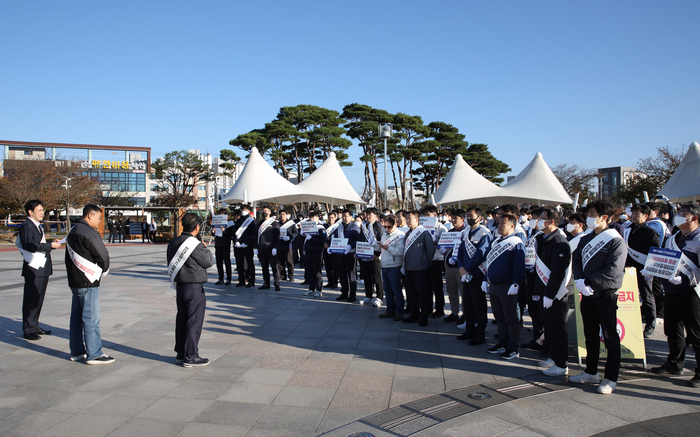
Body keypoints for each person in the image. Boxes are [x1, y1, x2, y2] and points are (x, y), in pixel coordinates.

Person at [570, 200, 627, 394]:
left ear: (605, 217)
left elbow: (613, 270)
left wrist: (588, 281)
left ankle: (611, 378)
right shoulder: (585, 239)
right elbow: (576, 260)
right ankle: (591, 371)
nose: (589, 218)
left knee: (610, 337)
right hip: (586, 293)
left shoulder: (615, 240)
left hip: (605, 294)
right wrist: (579, 280)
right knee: (590, 334)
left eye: (593, 214)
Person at [648, 203, 700, 387]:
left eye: (682, 214)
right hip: (671, 290)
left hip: (692, 294)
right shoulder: (675, 237)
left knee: (695, 334)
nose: (678, 216)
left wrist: (685, 279)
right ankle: (674, 362)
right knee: (672, 330)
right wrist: (651, 268)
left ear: (693, 218)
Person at [65, 204, 115, 364]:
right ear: (89, 216)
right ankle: (94, 353)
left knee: (76, 318)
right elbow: (103, 256)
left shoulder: (73, 231)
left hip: (75, 280)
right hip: (88, 281)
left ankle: (77, 351)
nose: (100, 221)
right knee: (91, 318)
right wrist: (104, 269)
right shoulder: (89, 233)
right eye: (99, 218)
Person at [167, 213, 215, 367]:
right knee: (193, 320)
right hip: (194, 286)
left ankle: (181, 353)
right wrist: (205, 249)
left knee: (182, 319)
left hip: (180, 286)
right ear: (197, 227)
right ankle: (191, 355)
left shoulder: (173, 242)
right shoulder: (194, 244)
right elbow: (208, 261)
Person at [532, 208, 572, 376]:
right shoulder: (542, 238)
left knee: (557, 328)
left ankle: (562, 364)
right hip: (543, 291)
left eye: (543, 218)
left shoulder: (559, 242)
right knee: (548, 326)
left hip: (555, 294)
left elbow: (558, 272)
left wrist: (549, 294)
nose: (539, 221)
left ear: (551, 222)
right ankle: (553, 356)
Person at [483, 214, 526, 360]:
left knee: (511, 318)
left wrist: (516, 283)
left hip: (507, 285)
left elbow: (519, 266)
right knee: (499, 317)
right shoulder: (496, 242)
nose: (499, 225)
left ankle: (513, 347)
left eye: (503, 223)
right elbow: (489, 263)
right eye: (499, 223)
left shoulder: (516, 242)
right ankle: (502, 343)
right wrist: (485, 279)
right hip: (494, 285)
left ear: (512, 226)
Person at [17, 199, 61, 340]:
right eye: (39, 210)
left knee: (38, 298)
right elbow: (29, 244)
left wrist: (50, 244)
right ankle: (28, 328)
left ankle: (35, 324)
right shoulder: (26, 225)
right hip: (33, 267)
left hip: (41, 267)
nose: (42, 213)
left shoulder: (37, 226)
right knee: (31, 298)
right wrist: (49, 246)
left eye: (42, 210)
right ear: (30, 212)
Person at [456, 207, 492, 345]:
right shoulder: (465, 232)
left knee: (478, 304)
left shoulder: (484, 233)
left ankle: (480, 333)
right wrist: (461, 267)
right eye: (467, 216)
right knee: (467, 303)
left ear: (480, 217)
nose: (469, 218)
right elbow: (460, 251)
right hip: (466, 274)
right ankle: (469, 329)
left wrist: (467, 268)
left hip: (477, 274)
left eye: (471, 215)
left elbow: (480, 255)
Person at [624, 204, 661, 337]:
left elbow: (656, 252)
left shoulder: (650, 232)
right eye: (633, 213)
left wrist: (650, 269)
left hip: (643, 269)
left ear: (645, 216)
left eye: (637, 214)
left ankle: (650, 324)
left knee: (647, 295)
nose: (633, 216)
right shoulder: (627, 229)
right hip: (628, 269)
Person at [402, 210, 436, 326]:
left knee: (422, 294)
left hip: (421, 269)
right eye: (406, 219)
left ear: (417, 220)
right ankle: (414, 314)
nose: (407, 221)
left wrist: (425, 263)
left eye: (409, 219)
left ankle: (424, 316)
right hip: (409, 268)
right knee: (411, 294)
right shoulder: (407, 234)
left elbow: (430, 251)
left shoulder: (424, 233)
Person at [376, 214, 406, 321]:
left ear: (395, 225)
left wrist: (389, 248)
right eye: (385, 227)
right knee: (387, 291)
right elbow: (382, 248)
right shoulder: (384, 235)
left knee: (396, 291)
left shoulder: (400, 235)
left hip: (394, 266)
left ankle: (399, 312)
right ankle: (390, 310)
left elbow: (401, 251)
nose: (387, 229)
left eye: (389, 227)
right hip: (385, 265)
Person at [442, 209, 467, 324]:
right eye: (452, 218)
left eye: (455, 218)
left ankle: (465, 314)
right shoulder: (449, 231)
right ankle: (454, 312)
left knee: (463, 292)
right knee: (451, 292)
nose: (452, 220)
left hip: (460, 267)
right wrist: (443, 248)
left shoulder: (466, 232)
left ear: (462, 219)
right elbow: (443, 248)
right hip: (449, 267)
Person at [358, 208, 385, 307]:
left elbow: (382, 242)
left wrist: (377, 254)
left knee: (377, 278)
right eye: (367, 214)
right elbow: (360, 240)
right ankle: (368, 296)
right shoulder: (364, 226)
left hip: (375, 257)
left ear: (376, 216)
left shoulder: (379, 227)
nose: (368, 216)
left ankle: (379, 297)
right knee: (366, 277)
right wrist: (358, 253)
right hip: (364, 255)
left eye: (370, 214)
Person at [332, 210, 360, 302]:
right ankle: (344, 293)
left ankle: (352, 295)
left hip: (350, 254)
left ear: (351, 217)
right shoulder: (339, 227)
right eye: (343, 216)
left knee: (351, 276)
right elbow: (335, 238)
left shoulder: (354, 227)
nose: (344, 218)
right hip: (340, 254)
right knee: (342, 275)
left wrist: (350, 246)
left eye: (347, 216)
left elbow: (358, 240)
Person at [425, 205, 447, 318]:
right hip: (426, 260)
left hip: (437, 260)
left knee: (437, 286)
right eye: (425, 215)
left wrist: (435, 242)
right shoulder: (423, 227)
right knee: (427, 286)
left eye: (429, 215)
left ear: (435, 215)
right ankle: (428, 308)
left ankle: (439, 309)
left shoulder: (442, 228)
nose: (427, 217)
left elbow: (446, 245)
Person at [301, 211, 327, 297]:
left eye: (314, 217)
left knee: (317, 272)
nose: (312, 219)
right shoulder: (308, 227)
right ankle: (311, 288)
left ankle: (319, 289)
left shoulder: (321, 228)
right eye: (311, 217)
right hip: (308, 251)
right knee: (310, 271)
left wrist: (311, 238)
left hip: (317, 252)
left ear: (318, 218)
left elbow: (321, 241)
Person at [255, 207, 280, 291]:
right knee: (264, 267)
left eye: (266, 211)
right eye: (263, 211)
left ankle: (277, 284)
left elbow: (277, 236)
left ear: (269, 212)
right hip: (262, 248)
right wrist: (256, 247)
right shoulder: (260, 223)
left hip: (271, 248)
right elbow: (256, 235)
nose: (264, 212)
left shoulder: (274, 223)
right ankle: (266, 283)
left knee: (274, 267)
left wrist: (275, 247)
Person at [232, 205, 257, 288]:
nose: (243, 211)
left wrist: (246, 242)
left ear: (248, 211)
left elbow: (253, 233)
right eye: (242, 209)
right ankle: (241, 280)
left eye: (245, 209)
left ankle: (251, 281)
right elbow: (234, 233)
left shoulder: (251, 221)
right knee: (239, 263)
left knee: (249, 263)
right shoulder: (238, 221)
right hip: (238, 246)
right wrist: (236, 242)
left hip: (247, 245)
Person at [212, 208, 234, 285]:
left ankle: (228, 278)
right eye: (219, 215)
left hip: (225, 245)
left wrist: (224, 230)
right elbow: (213, 234)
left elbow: (231, 234)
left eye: (222, 215)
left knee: (227, 262)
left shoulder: (230, 224)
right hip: (218, 244)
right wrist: (213, 231)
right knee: (219, 262)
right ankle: (220, 278)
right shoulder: (216, 223)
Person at [278, 209, 299, 282]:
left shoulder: (291, 223)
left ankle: (291, 275)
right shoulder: (278, 224)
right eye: (280, 214)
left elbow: (296, 233)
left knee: (289, 261)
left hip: (288, 244)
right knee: (280, 261)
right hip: (279, 244)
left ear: (287, 215)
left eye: (283, 214)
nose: (282, 216)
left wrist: (290, 237)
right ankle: (283, 275)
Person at [323, 211, 340, 289]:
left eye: (332, 217)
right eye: (329, 217)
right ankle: (329, 281)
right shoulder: (324, 226)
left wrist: (330, 244)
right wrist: (324, 244)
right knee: (327, 266)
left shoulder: (338, 227)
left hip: (335, 249)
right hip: (326, 249)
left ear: (336, 218)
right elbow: (322, 236)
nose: (330, 219)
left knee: (335, 266)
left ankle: (335, 282)